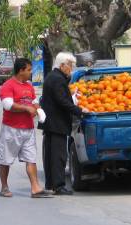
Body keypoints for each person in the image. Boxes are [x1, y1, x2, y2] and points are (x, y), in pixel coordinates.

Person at [0, 58, 50, 198]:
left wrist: (39, 111)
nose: (30, 72)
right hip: (11, 129)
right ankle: (4, 187)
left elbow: (34, 102)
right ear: (21, 70)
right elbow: (8, 105)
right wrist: (27, 109)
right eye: (28, 70)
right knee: (5, 159)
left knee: (31, 158)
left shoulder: (29, 86)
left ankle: (35, 188)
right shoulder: (8, 86)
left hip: (28, 129)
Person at [39, 52, 89, 195]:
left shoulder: (52, 76)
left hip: (51, 123)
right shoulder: (58, 80)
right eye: (70, 66)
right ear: (62, 65)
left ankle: (51, 184)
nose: (71, 69)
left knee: (50, 155)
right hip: (57, 124)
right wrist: (80, 110)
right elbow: (63, 102)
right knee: (58, 156)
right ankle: (59, 186)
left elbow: (59, 99)